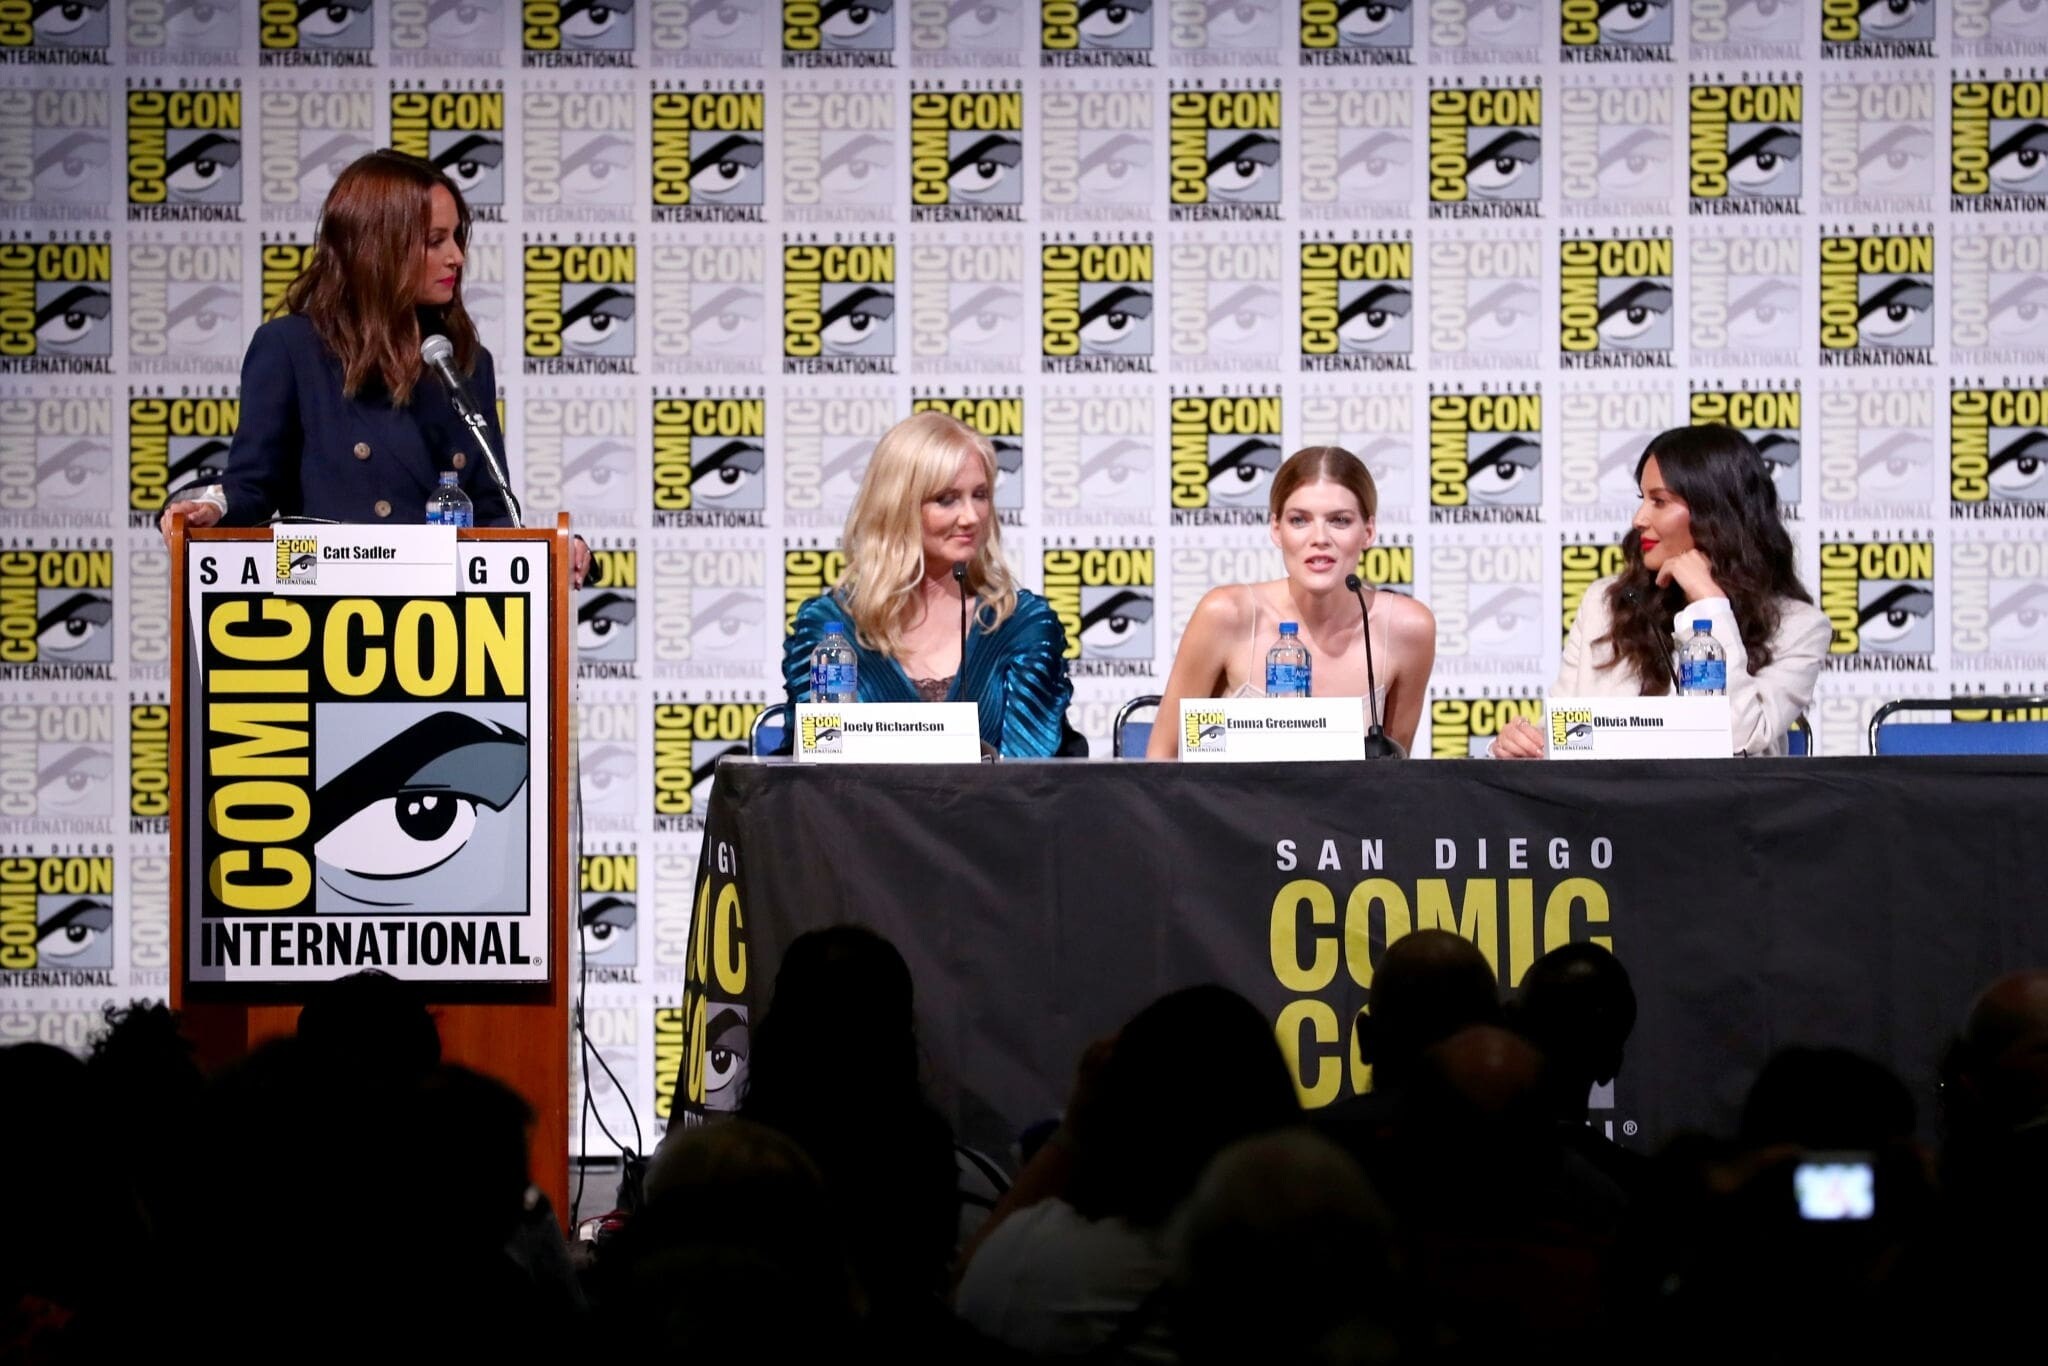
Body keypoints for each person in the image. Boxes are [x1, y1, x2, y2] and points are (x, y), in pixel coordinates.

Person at [157, 150, 589, 579]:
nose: (457, 256)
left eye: (457, 237)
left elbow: (491, 511)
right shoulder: (291, 348)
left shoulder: (464, 362)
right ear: (377, 248)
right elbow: (253, 486)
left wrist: (550, 553)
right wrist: (211, 507)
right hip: (326, 601)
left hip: (446, 610)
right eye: (435, 241)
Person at [1493, 423, 1827, 758]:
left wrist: (1710, 606)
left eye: (1660, 501)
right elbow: (1563, 737)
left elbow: (1738, 740)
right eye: (1643, 499)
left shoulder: (1800, 628)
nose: (1639, 519)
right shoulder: (1605, 603)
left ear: (1715, 512)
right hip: (1607, 793)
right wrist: (1521, 746)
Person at [782, 410, 1075, 758]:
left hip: (997, 797)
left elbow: (1030, 772)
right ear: (897, 505)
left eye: (980, 495)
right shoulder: (831, 630)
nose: (971, 517)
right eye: (946, 499)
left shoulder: (1020, 624)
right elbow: (817, 763)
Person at [1147, 445, 1436, 757]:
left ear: (1368, 531)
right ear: (1276, 530)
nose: (1320, 538)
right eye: (1299, 520)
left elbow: (1395, 771)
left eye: (1339, 520)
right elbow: (1162, 758)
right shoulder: (1226, 614)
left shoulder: (1407, 628)